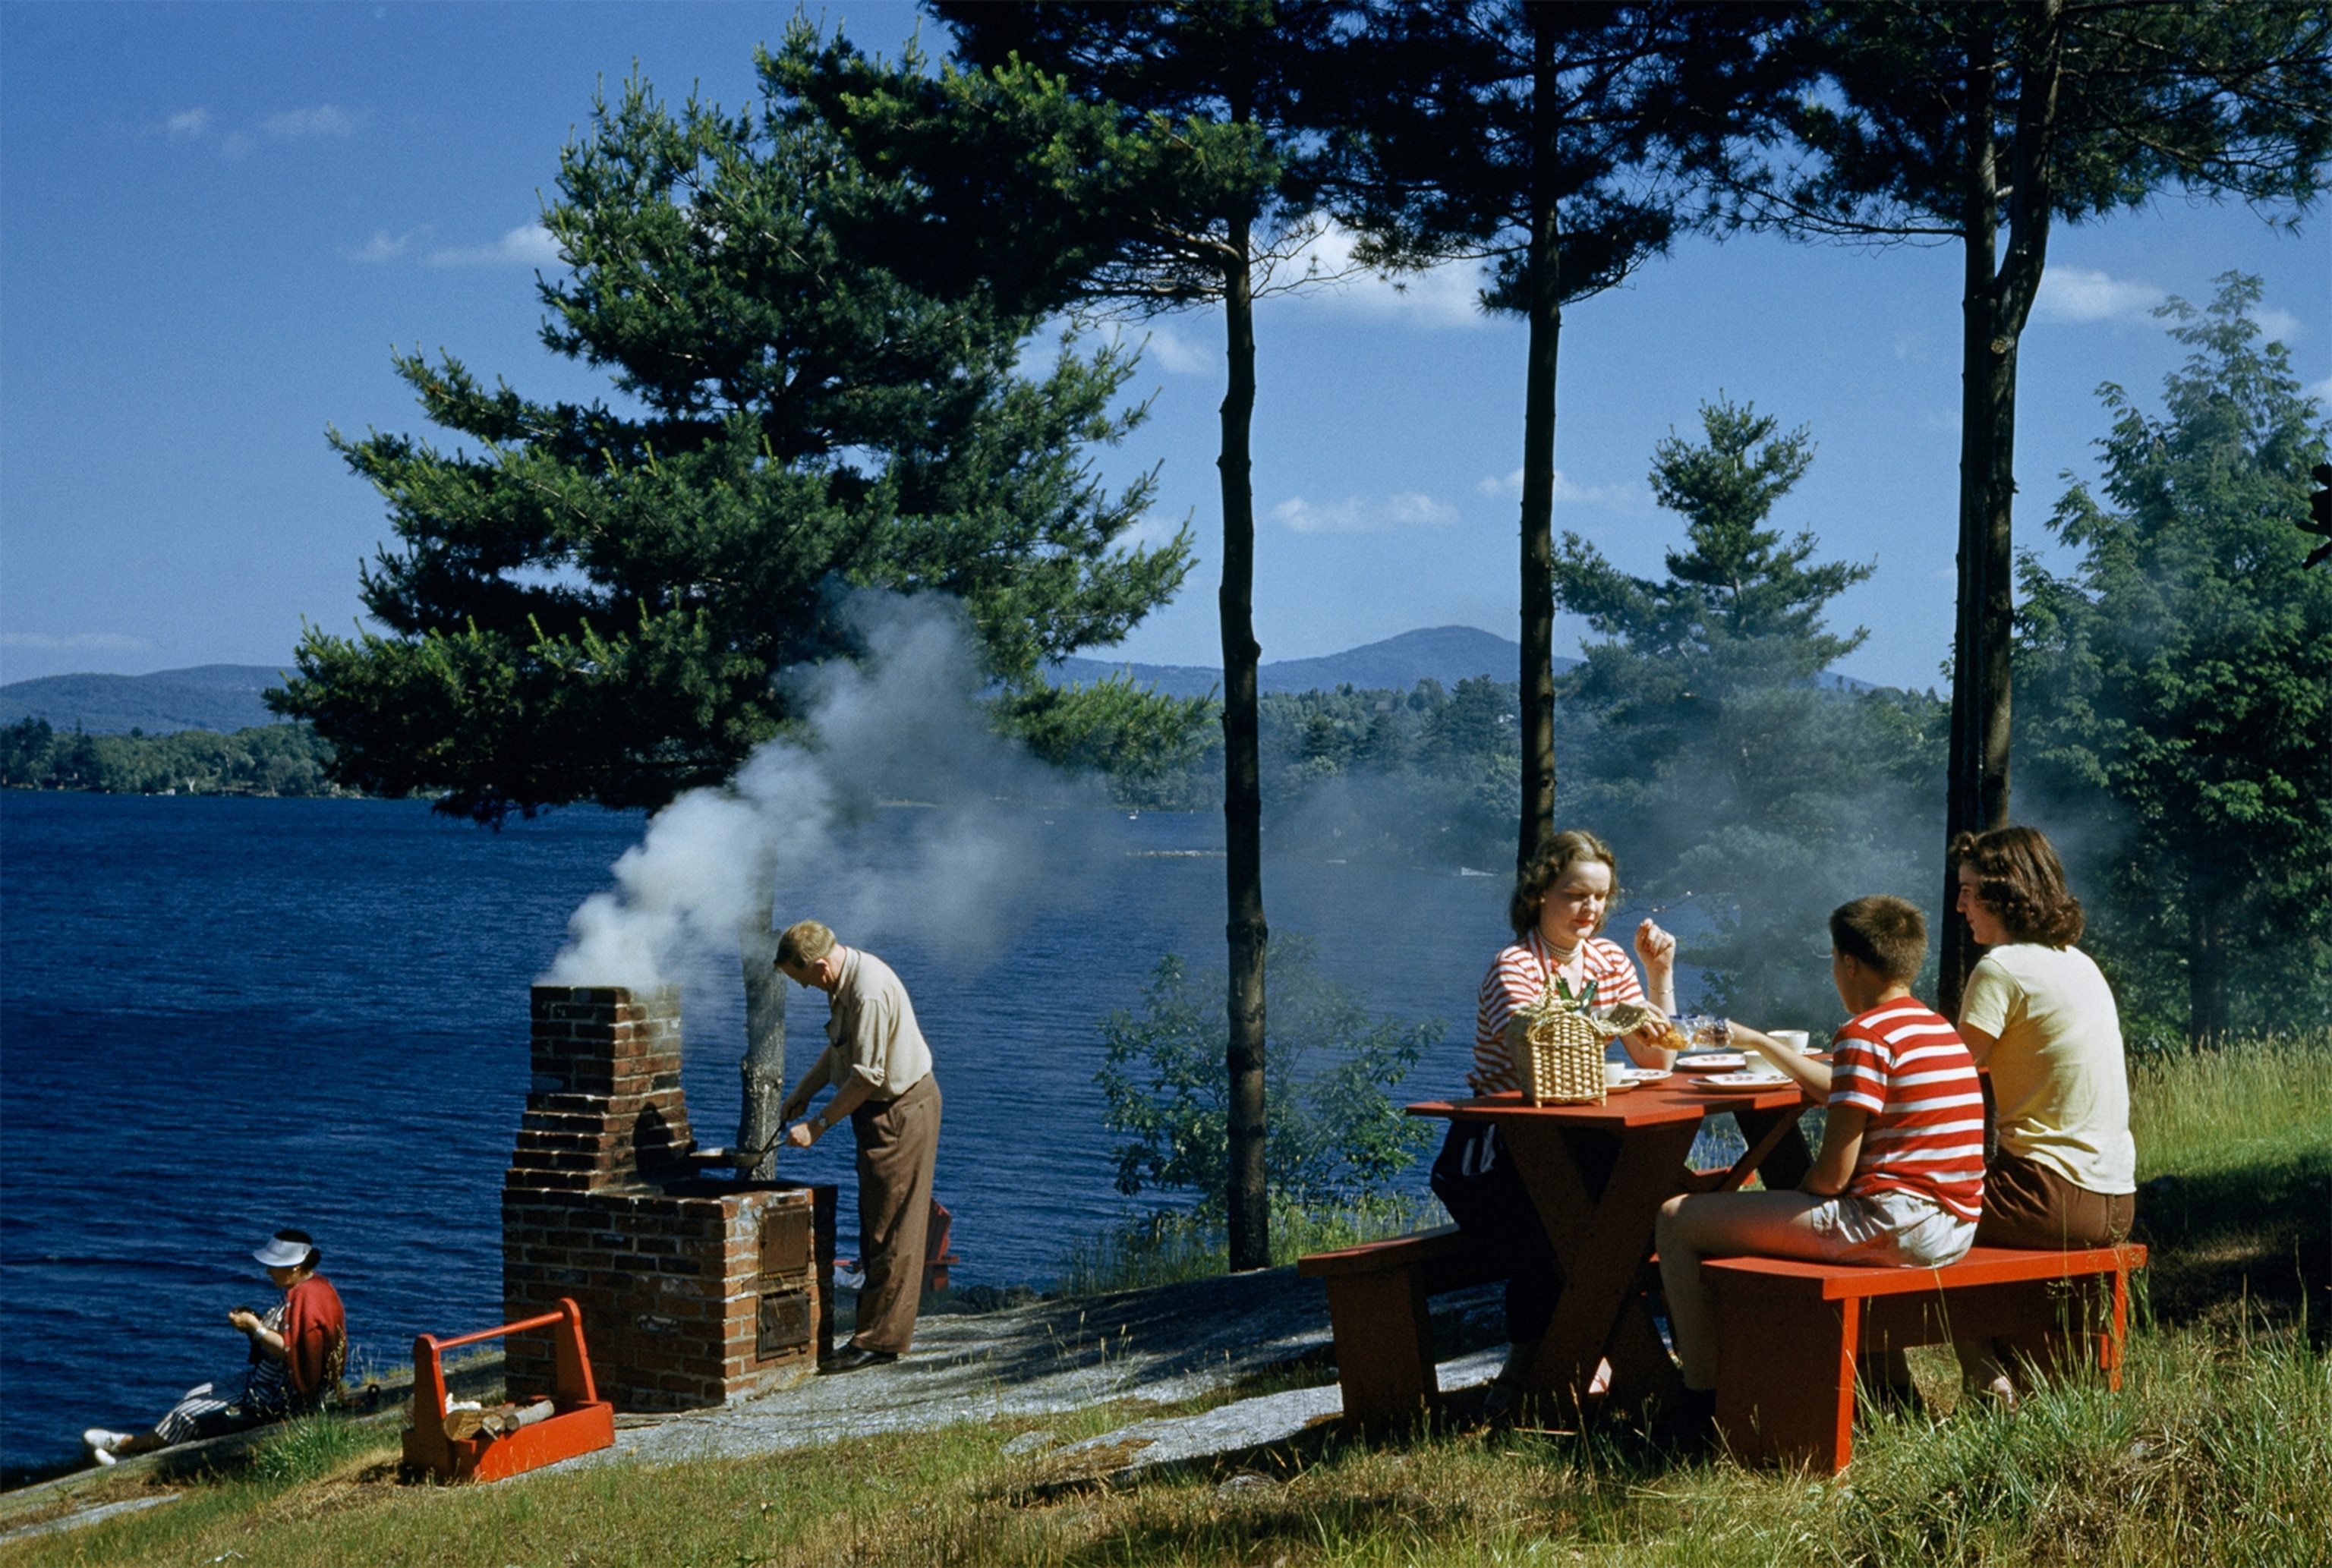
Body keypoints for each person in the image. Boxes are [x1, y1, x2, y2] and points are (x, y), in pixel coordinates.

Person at [1655, 896, 1985, 1448]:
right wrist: (1759, 1041)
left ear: (1849, 964)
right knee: (1777, 1207)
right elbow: (1848, 1089)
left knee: (1676, 1218)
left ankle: (1702, 1404)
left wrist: (1791, 1203)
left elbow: (1832, 1176)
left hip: (1897, 1227)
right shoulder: (1935, 1029)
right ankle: (1890, 1391)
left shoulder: (1865, 1035)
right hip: (1954, 1224)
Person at [1433, 830, 1679, 1412]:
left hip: (1579, 1136)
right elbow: (1536, 1045)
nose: (1590, 910)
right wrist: (1617, 1015)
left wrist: (1658, 974)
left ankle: (1574, 1364)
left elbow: (1658, 1058)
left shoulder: (1610, 959)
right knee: (1567, 1217)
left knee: (1637, 1199)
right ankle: (1534, 1374)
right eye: (1575, 895)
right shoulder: (1513, 966)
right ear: (1540, 892)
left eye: (1600, 897)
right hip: (1495, 1150)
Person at [1950, 823, 2137, 1405]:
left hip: (2047, 1195)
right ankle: (2014, 1372)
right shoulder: (2079, 963)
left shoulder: (2001, 969)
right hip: (2116, 1201)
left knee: (1910, 1215)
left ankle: (1984, 1374)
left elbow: (1946, 1078)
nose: (1960, 905)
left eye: (1970, 891)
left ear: (2006, 895)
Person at [776, 920, 941, 1374]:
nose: (804, 987)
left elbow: (867, 1077)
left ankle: (880, 1342)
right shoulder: (843, 981)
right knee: (876, 1222)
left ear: (822, 965)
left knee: (893, 1228)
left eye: (801, 978)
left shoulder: (867, 992)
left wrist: (818, 1125)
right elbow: (839, 1053)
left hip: (901, 1110)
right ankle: (876, 1333)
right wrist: (804, 1091)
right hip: (878, 1112)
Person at [83, 1229, 346, 1466]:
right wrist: (254, 1327)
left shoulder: (306, 1296)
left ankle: (130, 1447)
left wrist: (255, 1327)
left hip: (276, 1392)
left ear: (295, 1267)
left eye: (274, 1266)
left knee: (189, 1414)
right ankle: (138, 1450)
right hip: (264, 1380)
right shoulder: (312, 1288)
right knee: (195, 1395)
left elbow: (292, 1350)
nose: (268, 1271)